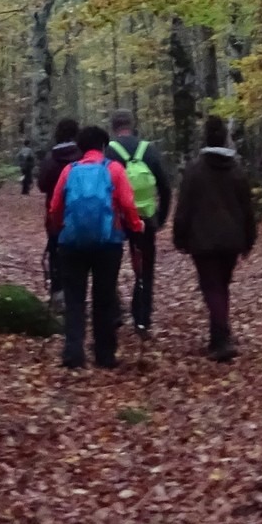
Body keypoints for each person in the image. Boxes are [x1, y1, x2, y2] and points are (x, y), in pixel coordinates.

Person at [47, 124, 144, 369]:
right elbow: (127, 204)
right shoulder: (114, 169)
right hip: (108, 243)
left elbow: (55, 207)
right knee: (104, 298)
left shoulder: (70, 171)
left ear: (80, 147)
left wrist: (60, 230)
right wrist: (135, 226)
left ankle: (73, 353)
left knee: (74, 298)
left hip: (72, 244)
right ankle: (105, 355)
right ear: (103, 146)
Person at [171, 114, 258, 360]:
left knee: (213, 288)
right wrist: (249, 238)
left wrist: (180, 236)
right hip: (231, 239)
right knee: (221, 286)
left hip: (203, 240)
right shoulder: (237, 171)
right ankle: (219, 335)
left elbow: (184, 207)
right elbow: (247, 208)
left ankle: (221, 339)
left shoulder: (195, 170)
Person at [107, 109, 173, 338]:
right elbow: (165, 187)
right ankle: (142, 318)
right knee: (144, 269)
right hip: (145, 217)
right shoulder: (149, 150)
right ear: (132, 124)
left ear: (113, 126)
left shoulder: (110, 152)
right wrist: (160, 217)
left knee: (110, 266)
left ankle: (113, 311)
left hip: (117, 219)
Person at [35, 117, 82, 313]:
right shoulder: (83, 156)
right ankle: (79, 297)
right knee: (81, 256)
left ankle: (59, 296)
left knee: (56, 254)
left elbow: (42, 185)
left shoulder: (50, 159)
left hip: (56, 215)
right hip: (81, 215)